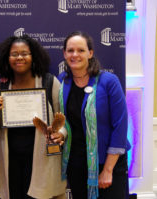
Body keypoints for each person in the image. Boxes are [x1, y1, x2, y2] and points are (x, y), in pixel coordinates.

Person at [0, 35, 67, 199]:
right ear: (7, 58)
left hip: (42, 159)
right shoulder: (0, 87)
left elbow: (64, 120)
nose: (19, 57)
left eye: (24, 53)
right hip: (11, 161)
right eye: (14, 54)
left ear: (33, 56)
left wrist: (61, 134)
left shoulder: (50, 83)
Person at [56, 31, 130, 199]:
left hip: (108, 162)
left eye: (81, 50)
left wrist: (107, 170)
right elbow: (63, 121)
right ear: (64, 54)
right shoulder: (61, 81)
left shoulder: (109, 81)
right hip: (77, 163)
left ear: (90, 53)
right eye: (70, 50)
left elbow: (120, 125)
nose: (75, 55)